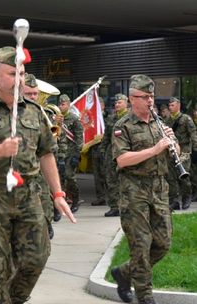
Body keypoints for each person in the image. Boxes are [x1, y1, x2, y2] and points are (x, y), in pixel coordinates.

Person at [0, 46, 76, 304]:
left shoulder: (34, 111)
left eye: (21, 73)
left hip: (28, 197)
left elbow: (46, 154)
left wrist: (57, 194)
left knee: (37, 258)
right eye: (12, 74)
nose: (19, 79)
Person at [110, 74, 176, 304]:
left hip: (159, 188)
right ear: (132, 99)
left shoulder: (159, 123)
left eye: (152, 96)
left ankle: (124, 273)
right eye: (145, 97)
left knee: (163, 243)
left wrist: (172, 144)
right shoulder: (123, 126)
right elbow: (122, 160)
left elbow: (174, 156)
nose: (150, 101)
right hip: (134, 190)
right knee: (141, 245)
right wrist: (155, 149)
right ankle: (145, 296)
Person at [23, 73, 56, 239]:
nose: (33, 97)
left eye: (35, 93)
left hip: (40, 166)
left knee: (44, 199)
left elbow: (51, 145)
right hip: (22, 170)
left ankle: (47, 225)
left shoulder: (43, 113)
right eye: (29, 94)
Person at [165, 97, 197, 209]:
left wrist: (195, 149)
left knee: (183, 176)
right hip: (172, 150)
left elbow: (193, 134)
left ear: (178, 106)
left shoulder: (186, 119)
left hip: (184, 151)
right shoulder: (168, 120)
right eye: (169, 106)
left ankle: (186, 197)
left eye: (172, 105)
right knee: (171, 177)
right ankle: (174, 200)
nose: (170, 107)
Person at [102, 93, 129, 217]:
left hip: (126, 153)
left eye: (120, 102)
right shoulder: (111, 118)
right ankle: (114, 206)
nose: (117, 104)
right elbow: (106, 137)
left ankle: (127, 206)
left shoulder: (131, 118)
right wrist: (103, 150)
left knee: (127, 180)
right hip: (111, 153)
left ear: (126, 103)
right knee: (111, 180)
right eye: (116, 102)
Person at [57, 93, 84, 212]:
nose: (60, 107)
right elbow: (54, 134)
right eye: (59, 104)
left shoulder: (74, 119)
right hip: (59, 153)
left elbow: (79, 138)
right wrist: (57, 123)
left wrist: (77, 155)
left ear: (68, 105)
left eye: (63, 104)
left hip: (71, 153)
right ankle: (61, 203)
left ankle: (76, 198)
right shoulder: (55, 118)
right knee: (59, 179)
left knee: (69, 177)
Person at [88, 97, 107, 206]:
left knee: (107, 175)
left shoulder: (108, 118)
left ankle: (111, 197)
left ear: (103, 106)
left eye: (99, 105)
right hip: (95, 149)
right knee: (97, 175)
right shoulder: (92, 119)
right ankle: (100, 197)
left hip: (105, 150)